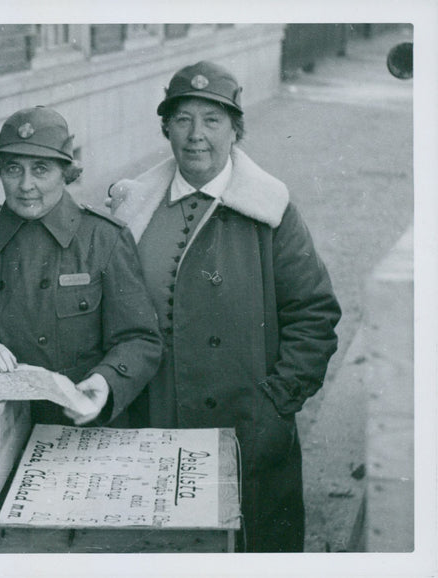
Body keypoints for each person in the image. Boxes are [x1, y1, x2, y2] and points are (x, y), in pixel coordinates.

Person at [107, 61, 341, 552]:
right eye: (183, 119)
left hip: (246, 429)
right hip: (156, 421)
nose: (196, 136)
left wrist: (276, 402)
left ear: (236, 130)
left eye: (212, 120)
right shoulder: (133, 211)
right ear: (165, 127)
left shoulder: (270, 210)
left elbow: (314, 315)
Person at [0, 106, 162, 427]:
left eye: (41, 169)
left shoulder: (103, 239)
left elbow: (140, 339)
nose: (26, 185)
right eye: (13, 169)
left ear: (66, 172)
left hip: (78, 422)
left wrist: (104, 382)